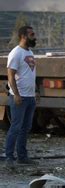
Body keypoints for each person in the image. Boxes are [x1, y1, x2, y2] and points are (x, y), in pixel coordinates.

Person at [4, 26, 39, 168]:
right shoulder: (16, 53)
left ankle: (22, 157)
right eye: (32, 34)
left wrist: (36, 91)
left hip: (30, 97)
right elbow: (10, 76)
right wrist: (16, 95)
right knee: (16, 127)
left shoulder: (30, 52)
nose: (34, 37)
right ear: (23, 36)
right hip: (20, 97)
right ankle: (9, 157)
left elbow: (31, 74)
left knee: (26, 127)